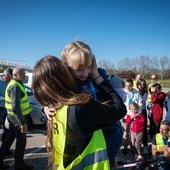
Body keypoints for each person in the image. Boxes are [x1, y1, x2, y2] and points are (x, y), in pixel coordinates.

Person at [33, 55, 126, 170]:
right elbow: (120, 109)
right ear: (64, 76)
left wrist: (44, 108)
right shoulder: (79, 108)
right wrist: (96, 76)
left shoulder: (55, 107)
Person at [0, 67, 33, 170]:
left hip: (12, 117)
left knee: (8, 140)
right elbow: (16, 107)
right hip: (18, 118)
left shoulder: (16, 84)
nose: (24, 76)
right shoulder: (15, 86)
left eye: (24, 74)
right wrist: (22, 122)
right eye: (22, 74)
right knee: (21, 141)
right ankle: (19, 165)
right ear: (15, 75)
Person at [122, 78, 142, 155]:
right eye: (127, 86)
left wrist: (138, 113)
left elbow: (140, 103)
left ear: (132, 85)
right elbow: (122, 104)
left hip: (136, 115)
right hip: (127, 116)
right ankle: (125, 147)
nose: (128, 88)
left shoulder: (136, 92)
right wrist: (129, 114)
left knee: (133, 133)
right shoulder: (123, 92)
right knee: (126, 132)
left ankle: (132, 148)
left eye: (130, 86)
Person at [0, 68, 13, 156]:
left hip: (7, 109)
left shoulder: (11, 81)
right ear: (4, 76)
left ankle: (4, 149)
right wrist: (2, 98)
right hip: (0, 107)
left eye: (10, 79)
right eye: (8, 78)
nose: (9, 80)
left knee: (6, 129)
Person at [136, 77, 149, 154]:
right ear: (137, 84)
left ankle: (145, 146)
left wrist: (137, 92)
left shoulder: (145, 92)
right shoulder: (135, 91)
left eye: (143, 84)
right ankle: (137, 146)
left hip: (143, 111)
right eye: (140, 84)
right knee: (136, 129)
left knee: (143, 129)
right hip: (136, 111)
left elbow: (141, 100)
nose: (142, 86)